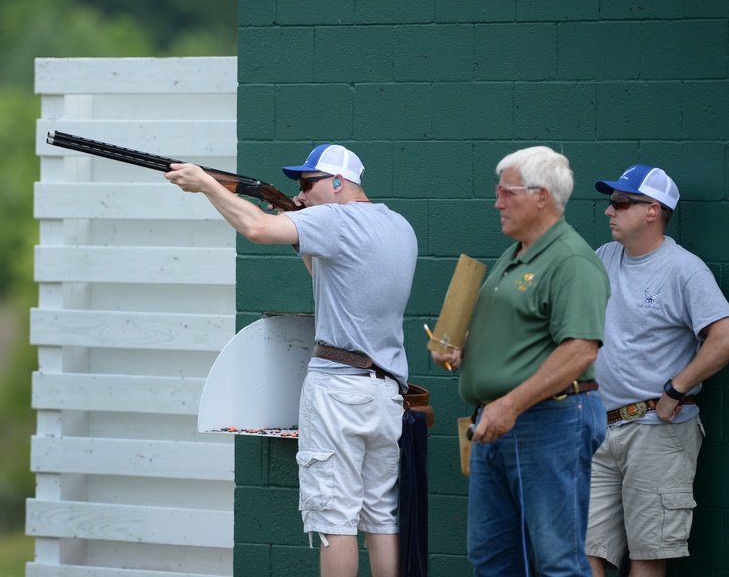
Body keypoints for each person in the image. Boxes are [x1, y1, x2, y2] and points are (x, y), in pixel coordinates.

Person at [165, 143, 418, 577]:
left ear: (338, 182)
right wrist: (297, 219)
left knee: (333, 520)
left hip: (338, 389)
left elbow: (258, 229)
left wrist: (207, 185)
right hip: (385, 394)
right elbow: (331, 278)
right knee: (381, 519)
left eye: (308, 184)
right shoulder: (399, 226)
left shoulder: (335, 219)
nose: (300, 194)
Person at [430, 145, 610, 576]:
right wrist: (465, 348)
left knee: (557, 561)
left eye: (507, 192)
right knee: (492, 558)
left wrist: (509, 405)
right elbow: (521, 337)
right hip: (496, 425)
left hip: (548, 421)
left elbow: (580, 350)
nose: (497, 202)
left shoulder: (571, 260)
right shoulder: (513, 256)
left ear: (541, 196)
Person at [585, 165, 729, 577]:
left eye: (620, 202)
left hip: (658, 432)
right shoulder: (604, 256)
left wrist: (677, 388)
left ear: (652, 211)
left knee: (647, 556)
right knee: (581, 551)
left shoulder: (685, 270)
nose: (609, 211)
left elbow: (723, 336)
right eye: (611, 202)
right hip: (600, 427)